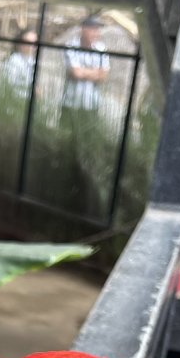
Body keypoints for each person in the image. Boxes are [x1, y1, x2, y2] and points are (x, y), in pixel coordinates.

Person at [59, 15, 112, 222]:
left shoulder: (101, 49)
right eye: (93, 29)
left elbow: (104, 75)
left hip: (91, 105)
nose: (96, 33)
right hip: (72, 103)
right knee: (66, 139)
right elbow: (75, 73)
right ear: (83, 29)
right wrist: (94, 73)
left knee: (88, 141)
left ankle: (82, 176)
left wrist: (87, 73)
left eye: (98, 30)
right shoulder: (71, 46)